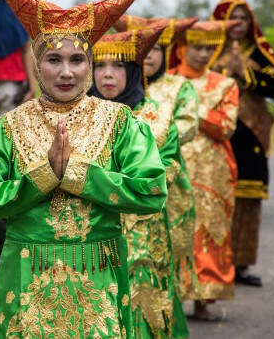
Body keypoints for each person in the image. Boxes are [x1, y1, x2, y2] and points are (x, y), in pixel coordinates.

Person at [0, 0, 170, 338]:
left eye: (77, 60)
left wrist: (77, 174)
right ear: (37, 65)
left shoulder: (120, 123)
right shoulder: (9, 128)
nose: (66, 72)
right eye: (54, 59)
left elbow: (151, 191)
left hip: (99, 274)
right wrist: (42, 176)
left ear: (89, 64)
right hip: (28, 276)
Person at [90, 24, 191, 338]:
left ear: (134, 71)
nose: (108, 74)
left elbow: (171, 165)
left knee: (143, 297)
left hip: (144, 226)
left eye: (118, 66)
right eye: (99, 66)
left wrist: (129, 186)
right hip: (95, 227)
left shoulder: (157, 116)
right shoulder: (79, 115)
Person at [114, 15, 201, 312]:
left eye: (154, 50)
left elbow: (187, 125)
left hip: (165, 180)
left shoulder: (177, 87)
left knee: (163, 258)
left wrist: (157, 137)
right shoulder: (106, 96)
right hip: (117, 200)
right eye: (142, 51)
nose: (148, 56)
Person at [210, 0, 274, 287]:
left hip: (252, 134)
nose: (238, 24)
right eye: (232, 18)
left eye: (243, 18)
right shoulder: (206, 51)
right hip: (217, 134)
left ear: (251, 23)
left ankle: (242, 266)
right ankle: (215, 266)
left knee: (248, 200)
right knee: (216, 201)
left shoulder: (260, 52)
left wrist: (244, 74)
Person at [167, 20, 240, 320]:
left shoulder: (225, 85)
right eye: (197, 47)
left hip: (212, 173)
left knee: (207, 232)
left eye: (209, 48)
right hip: (173, 168)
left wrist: (191, 107)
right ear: (181, 48)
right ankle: (168, 300)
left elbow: (226, 126)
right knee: (172, 231)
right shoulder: (164, 82)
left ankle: (203, 300)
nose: (203, 54)